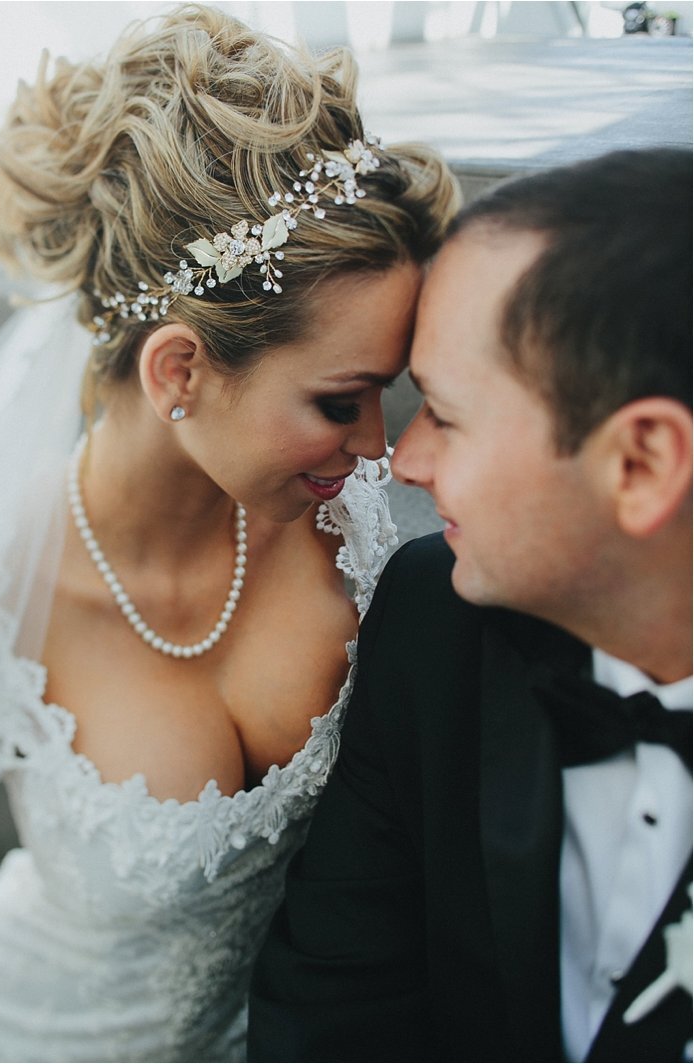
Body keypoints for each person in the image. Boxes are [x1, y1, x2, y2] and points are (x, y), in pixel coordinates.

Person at [0, 5, 459, 1061]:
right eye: (342, 401)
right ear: (180, 371)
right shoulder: (0, 578)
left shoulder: (362, 536)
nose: (383, 451)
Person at [247, 148, 693, 1062]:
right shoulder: (433, 623)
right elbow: (333, 1013)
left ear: (641, 464)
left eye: (443, 413)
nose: (404, 462)